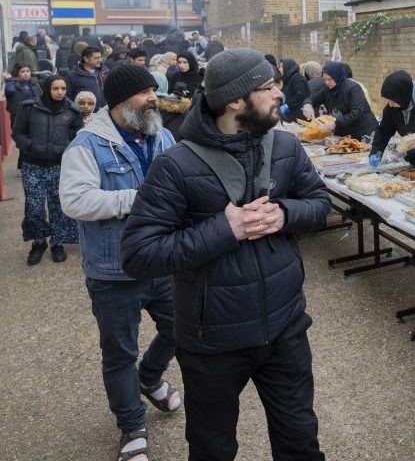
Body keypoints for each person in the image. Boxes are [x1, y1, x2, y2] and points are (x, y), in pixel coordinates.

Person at [121, 48, 330, 461]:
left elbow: (320, 203)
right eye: (269, 87)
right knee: (212, 449)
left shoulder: (285, 146)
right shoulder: (175, 165)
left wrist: (285, 214)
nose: (279, 95)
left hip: (285, 328)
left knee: (301, 443)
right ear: (236, 100)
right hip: (212, 340)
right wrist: (226, 229)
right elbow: (139, 253)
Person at [59, 64, 181, 461]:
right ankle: (132, 427)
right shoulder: (86, 145)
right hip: (114, 271)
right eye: (145, 92)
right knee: (118, 354)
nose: (153, 98)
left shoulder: (163, 136)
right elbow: (74, 201)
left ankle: (149, 378)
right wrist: (136, 197)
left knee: (185, 327)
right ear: (120, 100)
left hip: (163, 261)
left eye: (153, 90)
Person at [12, 75, 82, 265]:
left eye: (63, 88)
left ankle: (57, 243)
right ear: (46, 89)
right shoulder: (29, 108)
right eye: (55, 88)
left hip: (59, 167)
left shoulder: (73, 111)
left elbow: (78, 136)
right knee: (34, 207)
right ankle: (39, 242)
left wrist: (67, 149)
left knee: (57, 206)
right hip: (33, 165)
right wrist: (30, 146)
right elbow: (17, 132)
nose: (60, 92)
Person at [309, 61, 378, 139]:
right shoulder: (327, 90)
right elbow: (312, 99)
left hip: (363, 131)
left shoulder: (353, 88)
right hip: (345, 133)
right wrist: (307, 105)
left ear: (337, 76)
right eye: (325, 79)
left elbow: (356, 112)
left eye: (330, 79)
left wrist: (334, 124)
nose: (327, 82)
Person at [278, 57, 312, 122]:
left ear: (287, 67)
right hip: (292, 110)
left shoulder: (297, 78)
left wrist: (287, 105)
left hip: (300, 113)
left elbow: (300, 95)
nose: (279, 69)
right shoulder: (287, 78)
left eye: (282, 67)